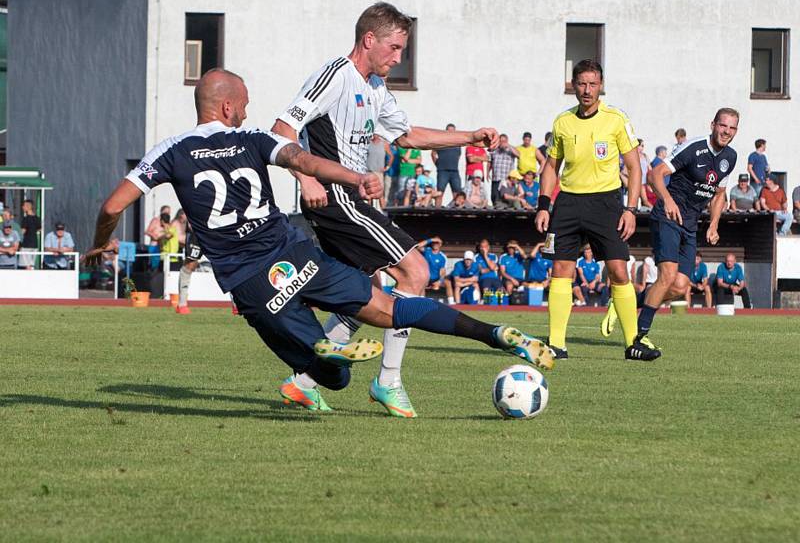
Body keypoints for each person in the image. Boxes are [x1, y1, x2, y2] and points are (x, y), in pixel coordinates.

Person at [85, 69, 554, 415]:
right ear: (227, 108)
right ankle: (491, 334)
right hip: (293, 252)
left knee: (335, 377)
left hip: (253, 284)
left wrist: (103, 242)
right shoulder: (250, 137)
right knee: (391, 308)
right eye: (244, 102)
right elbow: (304, 161)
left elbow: (111, 208)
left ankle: (327, 350)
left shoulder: (171, 149)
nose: (247, 110)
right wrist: (354, 176)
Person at [270, 2, 516, 417]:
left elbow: (407, 136)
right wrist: (305, 177)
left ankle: (305, 381)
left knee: (366, 294)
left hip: (349, 199)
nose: (399, 58)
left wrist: (470, 137)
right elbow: (281, 130)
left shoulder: (377, 88)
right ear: (370, 40)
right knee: (415, 271)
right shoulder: (336, 75)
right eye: (395, 47)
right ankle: (388, 381)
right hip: (336, 198)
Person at [536, 59, 646, 361]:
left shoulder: (616, 119)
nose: (587, 90)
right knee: (560, 270)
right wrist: (543, 206)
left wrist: (631, 209)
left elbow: (635, 168)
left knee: (618, 270)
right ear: (573, 86)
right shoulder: (562, 122)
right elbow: (550, 168)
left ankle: (633, 343)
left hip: (607, 203)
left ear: (601, 86)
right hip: (568, 203)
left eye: (592, 84)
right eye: (581, 84)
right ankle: (557, 345)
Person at [604, 108, 739, 352]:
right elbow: (655, 174)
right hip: (666, 217)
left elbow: (719, 194)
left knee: (679, 286)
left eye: (731, 128)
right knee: (666, 276)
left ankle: (625, 304)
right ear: (713, 125)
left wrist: (714, 223)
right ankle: (639, 337)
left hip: (689, 224)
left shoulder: (730, 156)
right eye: (723, 126)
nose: (726, 131)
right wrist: (667, 200)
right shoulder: (693, 147)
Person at [175, 221, 203, 315]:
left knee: (226, 263)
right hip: (199, 229)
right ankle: (182, 304)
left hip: (218, 228)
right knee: (190, 264)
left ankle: (236, 305)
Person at [432, 123, 462, 198]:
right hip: (443, 171)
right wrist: (437, 164)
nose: (451, 133)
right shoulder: (440, 141)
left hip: (454, 171)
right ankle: (437, 209)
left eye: (453, 131)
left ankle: (456, 209)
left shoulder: (458, 143)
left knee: (457, 193)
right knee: (439, 193)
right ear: (446, 131)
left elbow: (458, 155)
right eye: (449, 131)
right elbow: (433, 153)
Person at [489, 133, 518, 205]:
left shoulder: (510, 150)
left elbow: (518, 155)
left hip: (507, 181)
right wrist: (487, 173)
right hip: (496, 179)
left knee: (506, 200)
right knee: (495, 198)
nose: (502, 143)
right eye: (501, 141)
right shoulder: (495, 150)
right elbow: (490, 161)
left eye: (504, 141)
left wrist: (508, 145)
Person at [19, 199, 41, 270]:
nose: (22, 207)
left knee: (25, 265)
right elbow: (39, 229)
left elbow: (23, 231)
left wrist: (18, 241)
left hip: (26, 244)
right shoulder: (37, 218)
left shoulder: (26, 219)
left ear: (28, 207)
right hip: (34, 244)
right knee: (32, 265)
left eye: (24, 206)